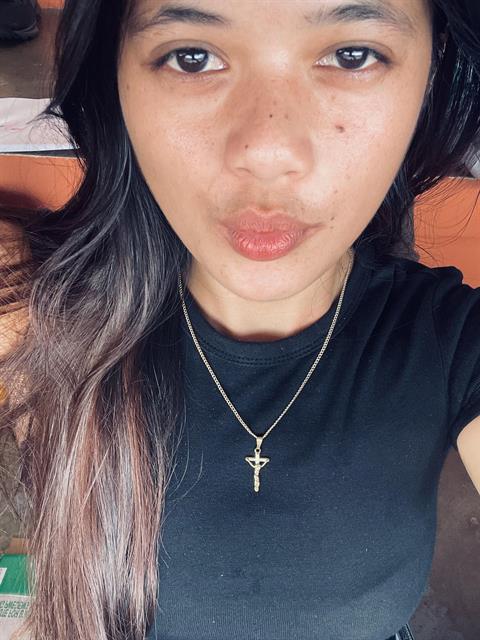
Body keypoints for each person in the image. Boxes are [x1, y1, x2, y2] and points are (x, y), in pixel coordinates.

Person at [0, 1, 479, 639]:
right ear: (114, 73)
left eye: (351, 56)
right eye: (192, 57)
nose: (267, 153)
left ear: (432, 69)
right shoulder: (35, 313)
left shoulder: (451, 338)